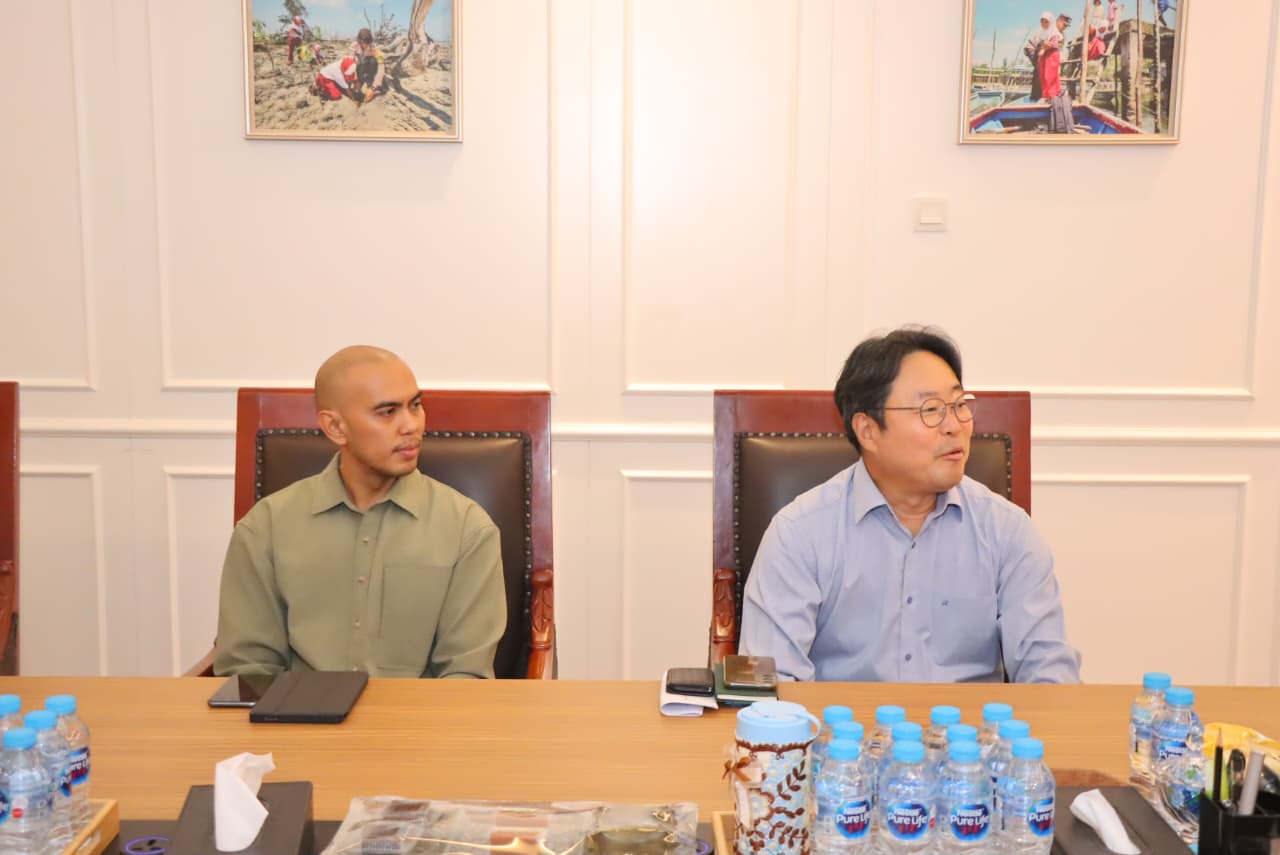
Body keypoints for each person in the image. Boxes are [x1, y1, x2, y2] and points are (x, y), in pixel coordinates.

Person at [738, 326, 1081, 684]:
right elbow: (771, 685)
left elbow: (1050, 676)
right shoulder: (800, 534)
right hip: (843, 721)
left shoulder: (1007, 530)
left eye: (959, 405)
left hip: (971, 722)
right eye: (931, 409)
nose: (955, 426)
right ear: (868, 431)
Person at [214, 346, 507, 679]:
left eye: (415, 405)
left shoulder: (468, 529)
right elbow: (248, 669)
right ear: (335, 427)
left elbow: (465, 675)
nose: (411, 425)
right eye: (387, 412)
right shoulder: (266, 527)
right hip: (296, 713)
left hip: (420, 714)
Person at [1041, 14, 1074, 133]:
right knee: (1046, 77)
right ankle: (1047, 96)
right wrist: (1045, 47)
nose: (1065, 27)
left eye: (1066, 26)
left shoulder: (1062, 35)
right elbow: (1043, 42)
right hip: (1046, 54)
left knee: (1053, 77)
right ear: (1059, 21)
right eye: (1064, 24)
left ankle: (1052, 96)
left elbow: (1058, 48)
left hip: (1054, 55)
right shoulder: (1050, 29)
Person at [350, 27, 388, 102]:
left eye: (366, 43)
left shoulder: (375, 48)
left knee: (373, 60)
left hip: (370, 69)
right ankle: (359, 82)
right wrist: (355, 80)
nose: (364, 45)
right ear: (359, 40)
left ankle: (370, 85)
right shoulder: (354, 46)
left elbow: (381, 67)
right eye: (362, 43)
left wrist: (373, 87)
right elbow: (350, 64)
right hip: (358, 69)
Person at [1023, 12, 1055, 101]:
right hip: (1031, 49)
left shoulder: (1051, 31)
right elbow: (1039, 43)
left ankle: (1036, 95)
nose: (1044, 24)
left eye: (1046, 22)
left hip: (1037, 50)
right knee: (1039, 70)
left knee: (1038, 71)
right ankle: (1037, 95)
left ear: (1051, 22)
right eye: (1042, 22)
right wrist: (1044, 44)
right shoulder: (1040, 31)